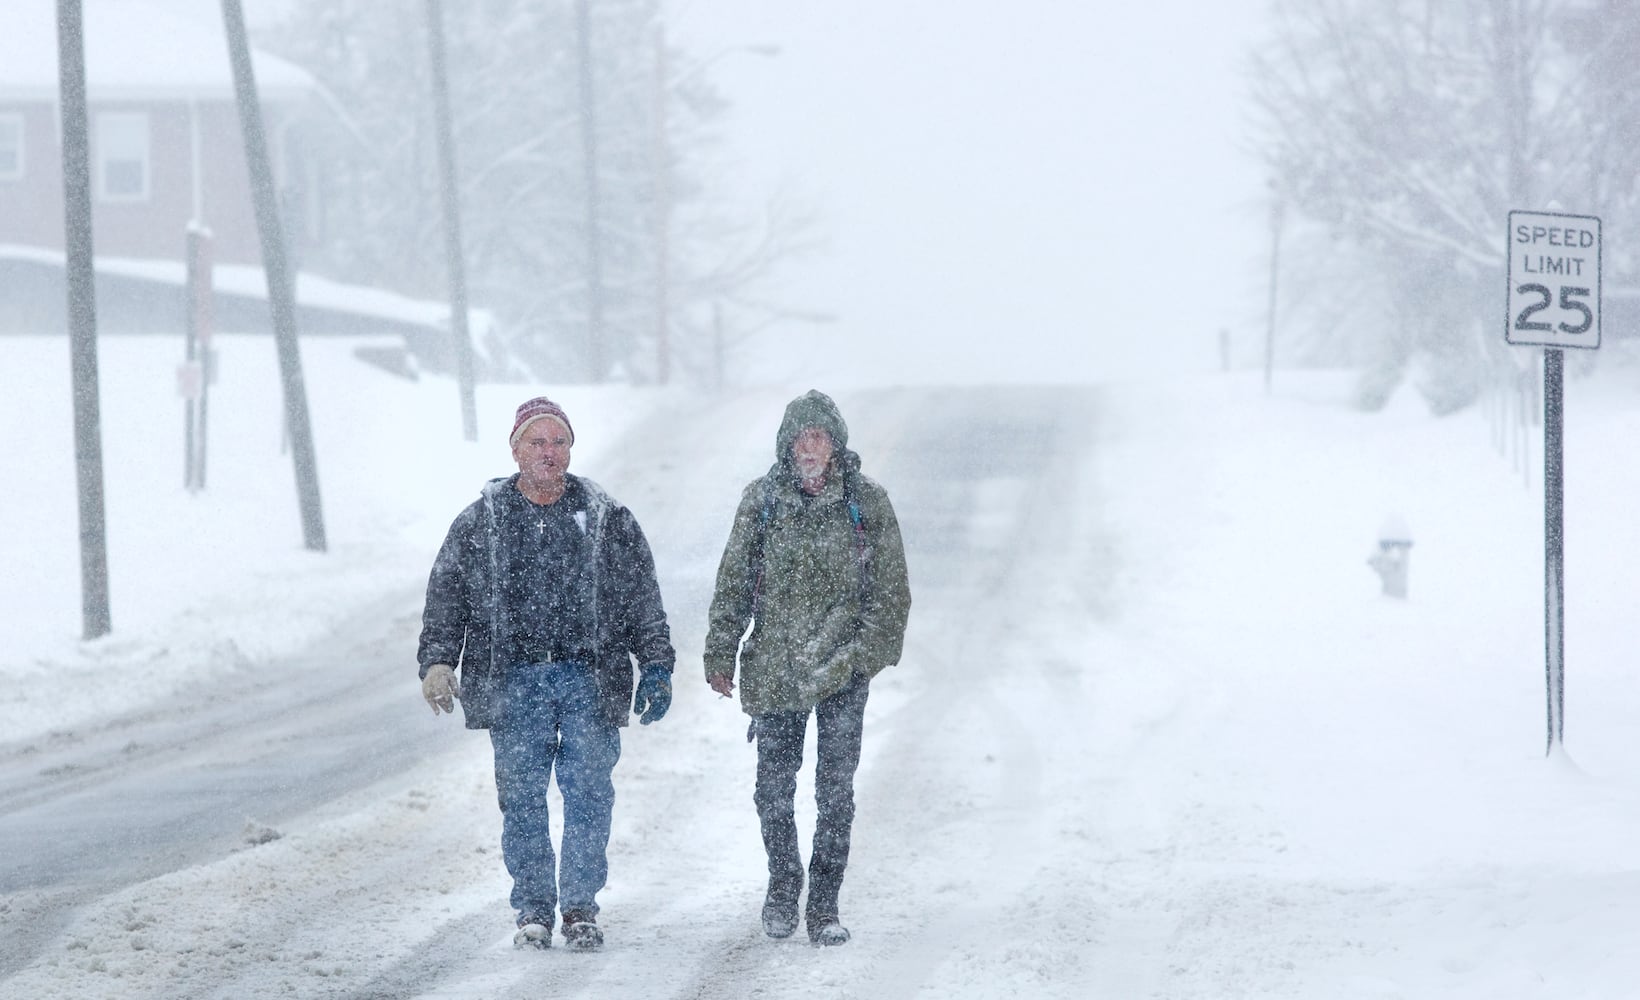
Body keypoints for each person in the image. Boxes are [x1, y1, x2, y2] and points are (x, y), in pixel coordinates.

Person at [418, 396, 676, 952]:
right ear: (515, 450)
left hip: (589, 679)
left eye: (558, 441)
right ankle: (534, 908)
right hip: (515, 682)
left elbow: (641, 599)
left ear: (571, 449)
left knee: (588, 795)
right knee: (523, 799)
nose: (548, 452)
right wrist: (438, 661)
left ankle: (580, 906)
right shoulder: (482, 522)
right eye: (537, 442)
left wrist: (656, 663)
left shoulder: (606, 519)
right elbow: (447, 595)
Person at [703, 390, 911, 946]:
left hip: (843, 672)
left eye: (819, 435)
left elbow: (891, 598)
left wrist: (858, 658)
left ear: (836, 444)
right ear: (786, 445)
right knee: (772, 790)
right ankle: (782, 882)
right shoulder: (763, 501)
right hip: (774, 668)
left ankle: (823, 902)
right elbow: (734, 583)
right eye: (801, 436)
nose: (810, 446)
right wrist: (720, 651)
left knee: (834, 791)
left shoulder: (866, 504)